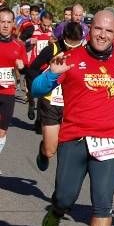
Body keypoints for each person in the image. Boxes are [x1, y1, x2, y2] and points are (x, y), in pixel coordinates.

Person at [33, 10, 114, 226]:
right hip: (74, 137)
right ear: (90, 29)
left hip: (109, 142)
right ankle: (57, 209)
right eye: (98, 29)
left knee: (103, 203)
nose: (103, 35)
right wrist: (51, 76)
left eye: (109, 31)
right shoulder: (70, 58)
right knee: (66, 196)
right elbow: (35, 87)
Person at [26, 21, 84, 171]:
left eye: (76, 45)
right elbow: (32, 70)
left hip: (72, 105)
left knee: (68, 150)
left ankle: (63, 187)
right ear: (63, 37)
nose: (72, 48)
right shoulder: (52, 49)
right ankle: (43, 151)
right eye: (68, 44)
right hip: (50, 102)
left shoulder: (83, 51)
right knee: (50, 150)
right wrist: (40, 84)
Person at [0, 8, 26, 171]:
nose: (5, 25)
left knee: (2, 131)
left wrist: (21, 67)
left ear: (13, 25)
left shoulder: (19, 46)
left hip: (8, 93)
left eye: (9, 22)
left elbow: (23, 67)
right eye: (2, 21)